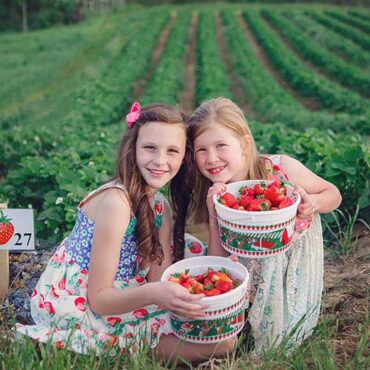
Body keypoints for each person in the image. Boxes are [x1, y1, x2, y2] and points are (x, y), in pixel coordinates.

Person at [16, 102, 235, 362]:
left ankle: (135, 341)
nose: (160, 160)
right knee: (220, 345)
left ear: (184, 157)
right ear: (133, 148)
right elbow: (100, 299)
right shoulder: (116, 204)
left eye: (172, 151)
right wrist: (157, 294)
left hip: (128, 287)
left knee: (220, 334)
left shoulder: (160, 208)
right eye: (150, 147)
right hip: (81, 298)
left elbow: (158, 279)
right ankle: (122, 346)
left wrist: (189, 291)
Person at [189, 97, 342, 353]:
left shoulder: (280, 168)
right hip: (251, 261)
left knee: (279, 340)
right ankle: (248, 312)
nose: (212, 158)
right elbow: (219, 260)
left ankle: (269, 317)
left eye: (221, 146)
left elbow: (334, 193)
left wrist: (312, 203)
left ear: (245, 144)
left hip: (291, 257)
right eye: (201, 150)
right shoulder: (216, 193)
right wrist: (214, 216)